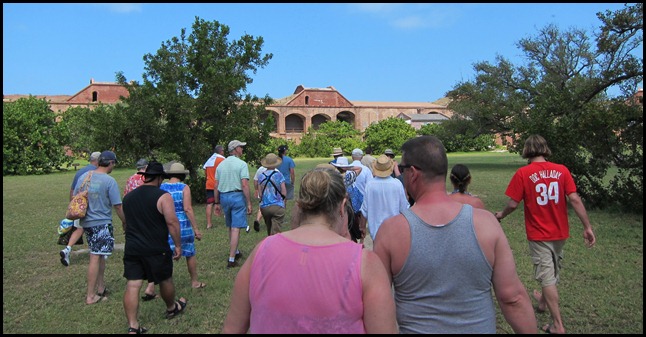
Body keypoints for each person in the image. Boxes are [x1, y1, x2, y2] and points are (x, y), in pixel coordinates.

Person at [373, 136, 537, 334]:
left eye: (402, 167)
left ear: (413, 173)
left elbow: (378, 305)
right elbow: (513, 298)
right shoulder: (486, 223)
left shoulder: (391, 231)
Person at [222, 167, 398, 334]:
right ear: (342, 206)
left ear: (300, 205)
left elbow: (232, 328)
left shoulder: (262, 250)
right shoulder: (366, 264)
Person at [494, 134, 596, 334]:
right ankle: (542, 301)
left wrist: (501, 215)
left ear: (527, 151)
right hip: (560, 232)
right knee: (553, 268)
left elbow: (513, 203)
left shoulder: (523, 173)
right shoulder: (562, 170)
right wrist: (587, 226)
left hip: (539, 234)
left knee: (547, 276)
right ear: (545, 149)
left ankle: (557, 325)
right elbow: (574, 199)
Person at [122, 161, 187, 334]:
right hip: (156, 247)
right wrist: (178, 245)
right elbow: (172, 222)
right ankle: (172, 307)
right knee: (165, 279)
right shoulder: (163, 196)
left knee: (133, 284)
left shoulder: (128, 198)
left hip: (133, 248)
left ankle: (133, 326)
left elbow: (126, 224)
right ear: (159, 178)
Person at [75, 150, 126, 305]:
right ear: (110, 163)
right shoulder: (109, 181)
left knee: (99, 254)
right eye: (114, 164)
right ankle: (90, 296)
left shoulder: (84, 177)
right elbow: (118, 206)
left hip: (86, 223)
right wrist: (125, 222)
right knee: (95, 257)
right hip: (101, 223)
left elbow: (76, 197)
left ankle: (101, 287)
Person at [160, 162, 205, 289]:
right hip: (183, 226)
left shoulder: (162, 187)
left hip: (167, 224)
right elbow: (187, 208)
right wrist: (196, 228)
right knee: (190, 252)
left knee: (165, 255)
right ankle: (194, 281)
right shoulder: (184, 187)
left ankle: (157, 285)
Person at [214, 140, 252, 268]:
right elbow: (245, 184)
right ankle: (231, 259)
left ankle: (235, 251)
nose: (242, 149)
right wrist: (249, 202)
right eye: (241, 147)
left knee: (230, 226)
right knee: (236, 228)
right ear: (235, 149)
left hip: (224, 197)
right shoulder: (242, 164)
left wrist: (216, 202)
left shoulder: (220, 165)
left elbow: (216, 186)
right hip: (237, 196)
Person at [59, 151, 101, 267]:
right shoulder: (97, 173)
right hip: (92, 206)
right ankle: (97, 251)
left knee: (79, 228)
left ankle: (67, 249)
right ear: (98, 161)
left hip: (79, 205)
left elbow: (72, 190)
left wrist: (72, 205)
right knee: (96, 227)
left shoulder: (80, 172)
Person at [359, 154, 409, 242]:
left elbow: (364, 209)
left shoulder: (370, 185)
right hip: (394, 232)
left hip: (376, 233)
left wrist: (362, 227)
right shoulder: (397, 184)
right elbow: (404, 208)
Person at [257, 153, 287, 236]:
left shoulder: (260, 176)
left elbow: (260, 194)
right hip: (277, 206)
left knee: (269, 230)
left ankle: (269, 243)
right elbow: (284, 192)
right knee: (276, 232)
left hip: (265, 207)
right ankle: (275, 246)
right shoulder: (279, 175)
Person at [350, 148, 373, 241]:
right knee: (362, 220)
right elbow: (370, 184)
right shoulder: (366, 170)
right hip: (363, 197)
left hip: (351, 198)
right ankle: (362, 240)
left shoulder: (347, 168)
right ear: (362, 157)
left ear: (352, 157)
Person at [203, 145, 225, 229]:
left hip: (209, 184)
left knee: (209, 204)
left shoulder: (209, 160)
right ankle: (227, 220)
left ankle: (209, 223)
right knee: (224, 201)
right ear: (221, 151)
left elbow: (205, 171)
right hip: (219, 184)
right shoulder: (222, 160)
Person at [252, 164, 268, 232]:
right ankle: (269, 222)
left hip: (262, 190)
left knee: (261, 207)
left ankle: (258, 220)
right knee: (271, 206)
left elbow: (255, 180)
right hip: (272, 192)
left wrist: (256, 190)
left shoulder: (260, 169)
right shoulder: (276, 171)